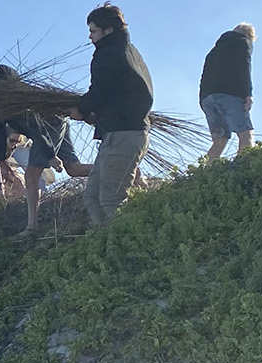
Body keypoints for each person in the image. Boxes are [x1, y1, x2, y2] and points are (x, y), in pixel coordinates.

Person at [0, 60, 77, 235]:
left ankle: (32, 227)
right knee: (74, 169)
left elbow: (33, 124)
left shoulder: (8, 95)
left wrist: (50, 154)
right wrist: (1, 160)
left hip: (48, 125)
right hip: (56, 120)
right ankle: (115, 173)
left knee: (31, 176)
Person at [77, 3, 155, 227]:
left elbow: (99, 91)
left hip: (124, 134)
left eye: (93, 31)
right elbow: (117, 92)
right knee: (91, 197)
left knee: (111, 201)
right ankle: (107, 247)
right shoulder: (130, 53)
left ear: (108, 30)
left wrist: (81, 108)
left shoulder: (107, 55)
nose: (90, 37)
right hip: (119, 134)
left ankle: (131, 247)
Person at [200, 23, 257, 161]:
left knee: (220, 139)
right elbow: (244, 67)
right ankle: (245, 171)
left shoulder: (213, 51)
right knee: (246, 134)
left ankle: (203, 175)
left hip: (207, 98)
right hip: (229, 96)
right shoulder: (243, 43)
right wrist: (248, 93)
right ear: (249, 36)